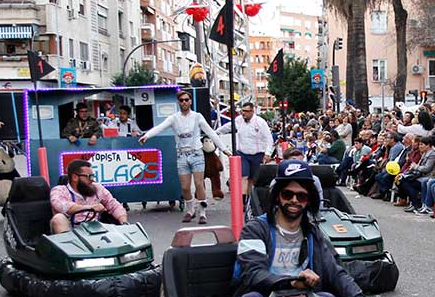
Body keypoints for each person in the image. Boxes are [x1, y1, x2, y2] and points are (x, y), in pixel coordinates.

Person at [233, 159, 363, 297]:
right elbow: (253, 274)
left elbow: (335, 272)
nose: (294, 200)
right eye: (288, 194)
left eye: (301, 196)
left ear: (308, 201)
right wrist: (291, 282)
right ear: (277, 196)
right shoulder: (255, 229)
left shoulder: (312, 232)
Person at [140, 90, 232, 224]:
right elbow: (160, 127)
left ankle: (202, 212)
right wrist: (147, 136)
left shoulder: (197, 116)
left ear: (190, 101)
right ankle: (190, 210)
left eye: (186, 100)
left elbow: (210, 132)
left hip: (196, 153)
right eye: (181, 100)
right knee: (185, 187)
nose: (184, 102)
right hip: (182, 154)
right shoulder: (174, 118)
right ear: (178, 102)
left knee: (199, 184)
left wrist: (224, 149)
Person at [213, 101, 273, 203]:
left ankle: (249, 198)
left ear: (252, 111)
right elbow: (227, 127)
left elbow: (269, 138)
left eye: (246, 111)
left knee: (252, 179)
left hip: (257, 154)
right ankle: (243, 200)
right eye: (242, 111)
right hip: (243, 154)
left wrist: (268, 153)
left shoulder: (260, 122)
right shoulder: (238, 120)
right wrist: (213, 133)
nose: (243, 113)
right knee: (243, 176)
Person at [49, 159, 127, 234]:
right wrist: (90, 208)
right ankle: (67, 246)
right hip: (71, 232)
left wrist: (124, 222)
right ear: (75, 177)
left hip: (95, 230)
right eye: (89, 176)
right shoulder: (59, 190)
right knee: (58, 218)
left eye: (93, 176)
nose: (92, 180)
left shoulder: (97, 188)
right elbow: (63, 206)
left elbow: (114, 205)